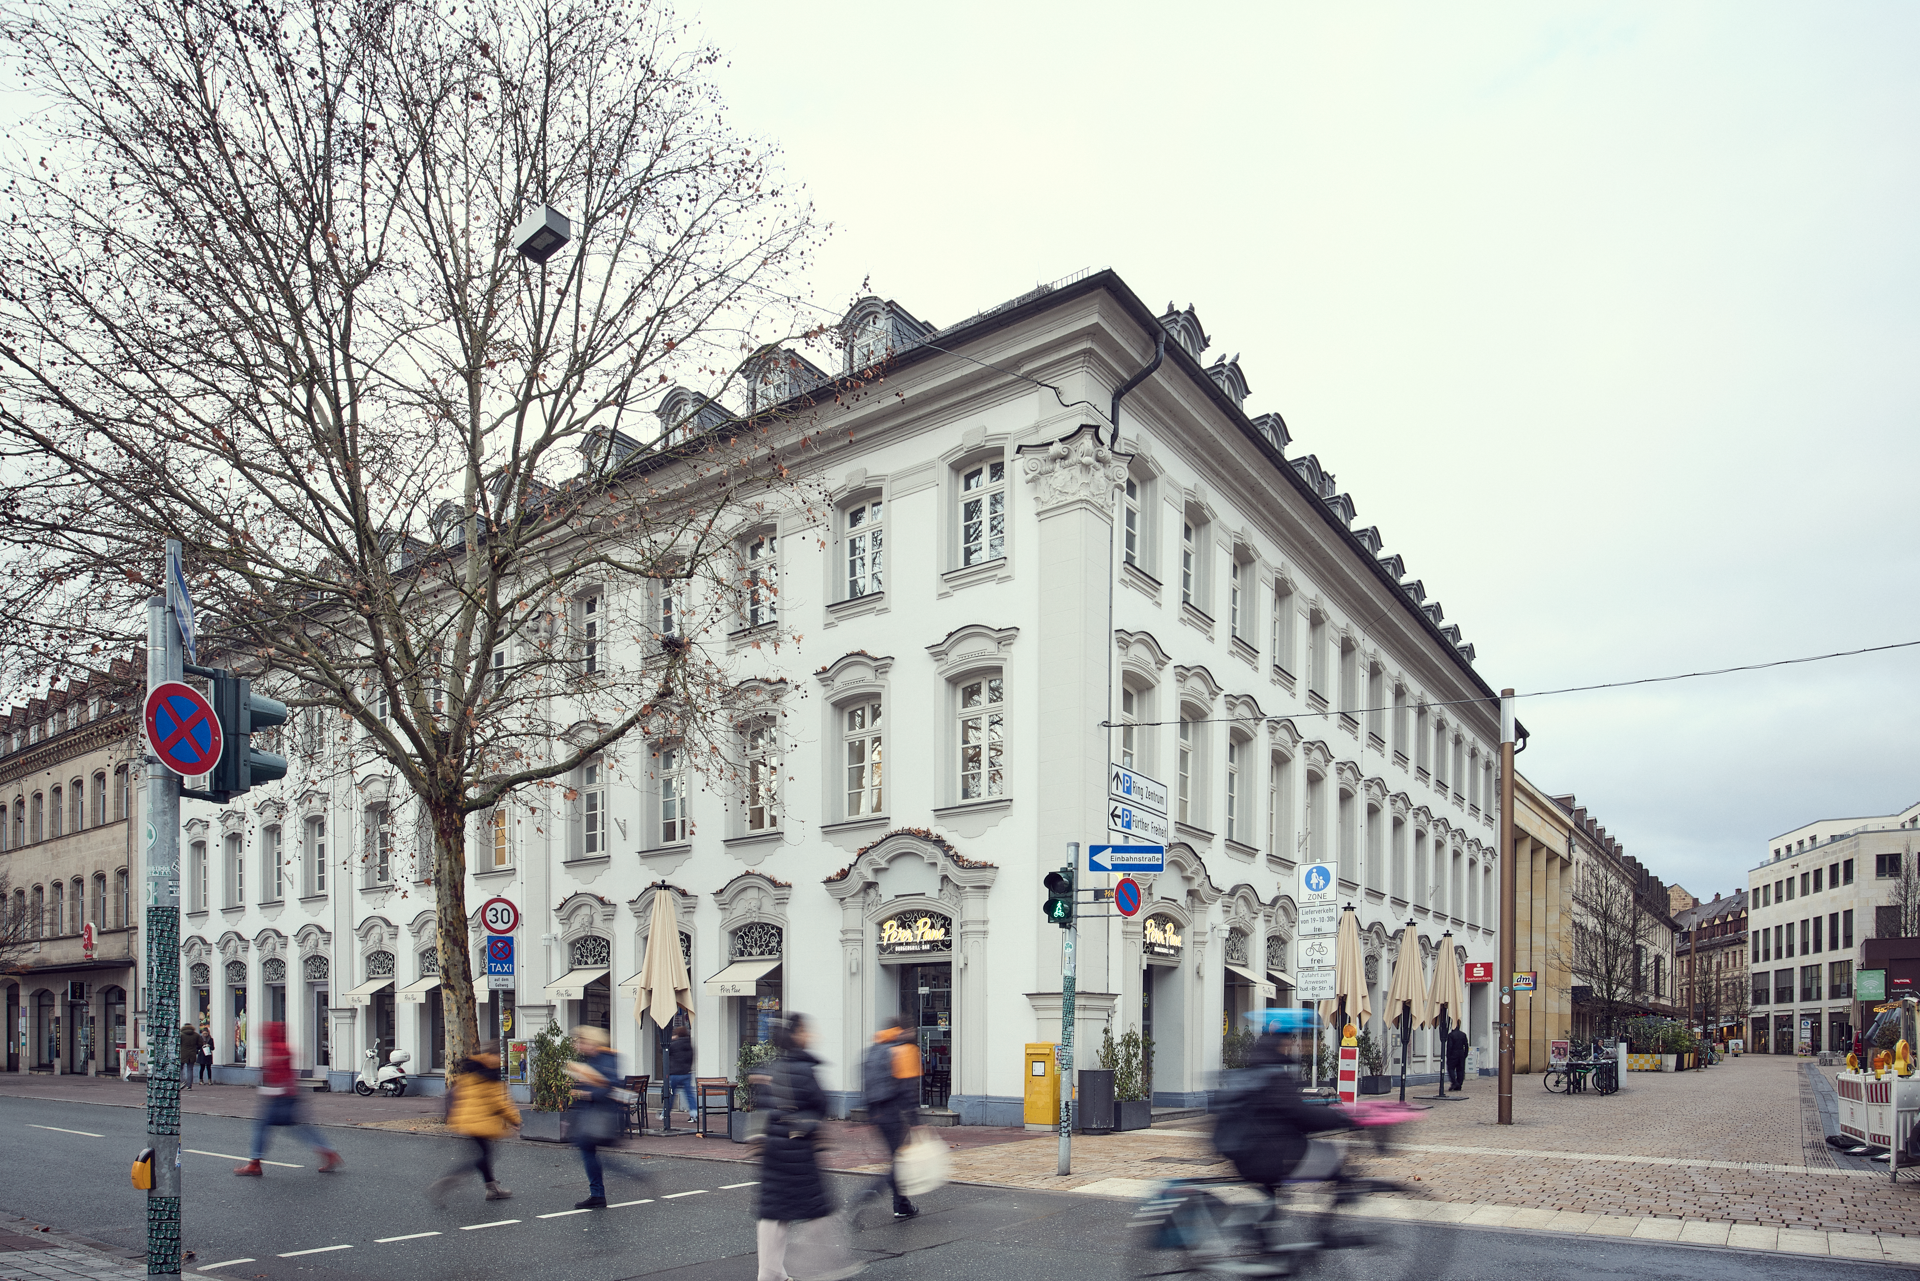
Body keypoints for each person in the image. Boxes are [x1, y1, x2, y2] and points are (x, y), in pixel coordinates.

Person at [1212, 1011, 1356, 1195]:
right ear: (1282, 1041)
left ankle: (1267, 1214)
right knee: (1330, 1157)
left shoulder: (1258, 1067)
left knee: (1273, 1198)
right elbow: (1300, 1115)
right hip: (1269, 1157)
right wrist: (1341, 1118)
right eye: (1291, 1038)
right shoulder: (1274, 1074)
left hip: (1249, 1154)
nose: (1293, 1044)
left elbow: (1285, 1110)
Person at [756, 1014, 853, 1281]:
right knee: (818, 1209)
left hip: (774, 1151)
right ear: (798, 1035)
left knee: (774, 1214)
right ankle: (826, 1266)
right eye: (807, 1030)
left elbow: (762, 1107)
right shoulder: (805, 1069)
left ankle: (769, 1273)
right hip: (798, 1150)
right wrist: (808, 1126)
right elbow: (822, 1104)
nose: (812, 1035)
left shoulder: (771, 1068)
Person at [233, 1023, 343, 1175]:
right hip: (289, 1095)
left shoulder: (275, 1049)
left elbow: (275, 1076)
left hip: (279, 1098)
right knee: (301, 1128)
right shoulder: (282, 1047)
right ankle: (329, 1153)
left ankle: (255, 1163)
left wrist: (267, 1092)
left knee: (262, 1126)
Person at [431, 1040, 519, 1204]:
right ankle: (453, 1177)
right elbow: (500, 1103)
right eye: (500, 1055)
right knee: (483, 1156)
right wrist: (516, 1120)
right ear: (495, 1055)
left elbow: (456, 1094)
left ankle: (492, 1189)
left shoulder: (471, 1070)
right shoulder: (492, 1075)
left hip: (467, 1121)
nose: (502, 1058)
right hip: (482, 1123)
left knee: (483, 1153)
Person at [852, 1015, 921, 1222]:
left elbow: (864, 1079)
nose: (913, 1034)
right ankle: (873, 1191)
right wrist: (915, 1121)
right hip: (894, 1113)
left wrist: (871, 1113)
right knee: (899, 1162)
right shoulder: (904, 1050)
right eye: (912, 1030)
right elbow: (907, 1088)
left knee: (896, 1158)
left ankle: (902, 1206)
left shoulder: (875, 1049)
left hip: (877, 1113)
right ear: (904, 1030)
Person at [564, 1025, 627, 1209]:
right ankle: (597, 1194)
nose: (578, 1045)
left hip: (601, 1115)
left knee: (590, 1152)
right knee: (587, 1151)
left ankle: (630, 1176)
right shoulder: (593, 1059)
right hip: (592, 1114)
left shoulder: (606, 1058)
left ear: (591, 1041)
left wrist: (585, 1093)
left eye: (581, 1041)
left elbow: (609, 1086)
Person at [662, 1023, 695, 1130]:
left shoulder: (674, 1044)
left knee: (670, 1094)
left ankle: (665, 1113)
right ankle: (694, 1114)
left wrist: (671, 1040)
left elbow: (663, 1051)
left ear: (677, 1034)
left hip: (675, 1073)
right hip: (686, 1073)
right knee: (689, 1094)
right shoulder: (689, 1045)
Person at [1445, 1025, 1470, 1091]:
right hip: (1461, 1054)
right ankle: (1459, 1084)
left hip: (1453, 1054)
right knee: (1460, 1070)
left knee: (1450, 1069)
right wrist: (1465, 1054)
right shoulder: (1463, 1035)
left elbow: (1449, 1046)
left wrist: (1448, 1056)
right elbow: (1466, 1045)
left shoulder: (1451, 1035)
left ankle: (1454, 1082)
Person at [178, 1024, 201, 1090]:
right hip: (192, 1054)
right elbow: (200, 1044)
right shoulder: (196, 1035)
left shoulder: (181, 1035)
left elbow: (177, 1044)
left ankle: (183, 1081)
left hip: (182, 1053)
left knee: (180, 1068)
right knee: (190, 1069)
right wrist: (195, 1049)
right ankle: (189, 1085)